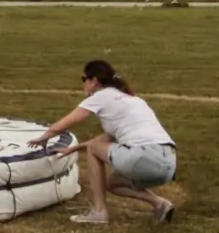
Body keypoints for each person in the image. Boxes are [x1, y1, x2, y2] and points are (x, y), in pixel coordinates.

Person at [27, 59, 177, 224]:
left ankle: (99, 212)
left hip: (144, 157)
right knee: (112, 184)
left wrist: (44, 137)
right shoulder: (131, 99)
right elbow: (108, 138)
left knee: (93, 148)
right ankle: (160, 204)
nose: (82, 84)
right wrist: (74, 148)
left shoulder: (101, 96)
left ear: (94, 81)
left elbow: (68, 122)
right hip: (168, 164)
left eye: (84, 79)